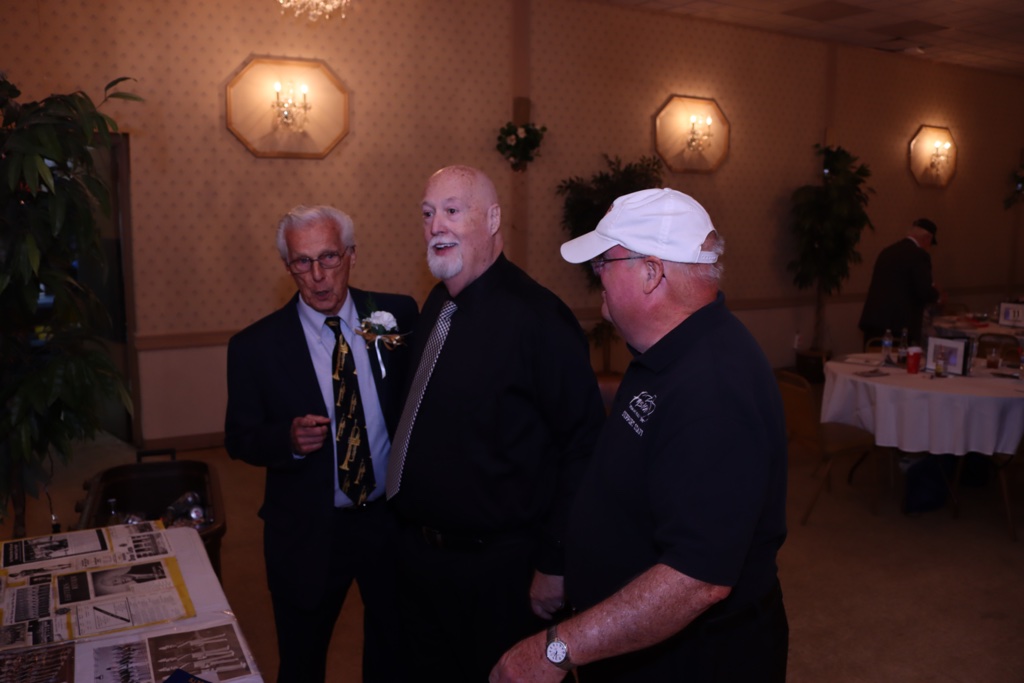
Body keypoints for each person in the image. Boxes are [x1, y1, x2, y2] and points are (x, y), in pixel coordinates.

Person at [491, 188, 789, 683]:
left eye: (604, 263)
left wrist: (556, 651)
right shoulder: (667, 349)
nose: (596, 276)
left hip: (695, 662)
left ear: (652, 273)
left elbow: (696, 579)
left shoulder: (715, 387)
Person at [386, 165, 605, 682]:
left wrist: (555, 564)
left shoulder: (540, 320)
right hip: (421, 561)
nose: (436, 225)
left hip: (498, 573)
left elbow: (583, 447)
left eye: (452, 211)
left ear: (492, 219)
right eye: (427, 213)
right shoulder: (437, 304)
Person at [224, 205, 417, 683]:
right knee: (302, 661)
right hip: (307, 531)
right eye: (302, 262)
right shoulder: (255, 346)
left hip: (387, 521)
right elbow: (239, 438)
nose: (317, 275)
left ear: (351, 254)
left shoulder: (395, 315)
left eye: (329, 257)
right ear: (287, 266)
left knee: (396, 651)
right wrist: (285, 439)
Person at [859, 217, 942, 346]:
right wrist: (937, 294)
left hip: (873, 321)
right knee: (898, 359)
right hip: (899, 325)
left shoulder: (887, 251)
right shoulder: (919, 255)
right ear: (927, 238)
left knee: (873, 356)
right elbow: (924, 291)